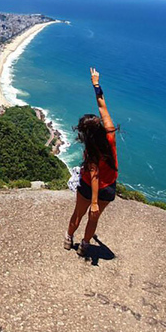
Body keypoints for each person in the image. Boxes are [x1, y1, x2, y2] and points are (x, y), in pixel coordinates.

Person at [64, 67, 118, 257]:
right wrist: (96, 83)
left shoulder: (91, 149)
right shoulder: (110, 132)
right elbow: (102, 106)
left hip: (89, 185)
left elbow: (94, 175)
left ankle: (69, 238)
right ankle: (85, 245)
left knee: (78, 213)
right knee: (93, 219)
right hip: (108, 185)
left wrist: (93, 201)